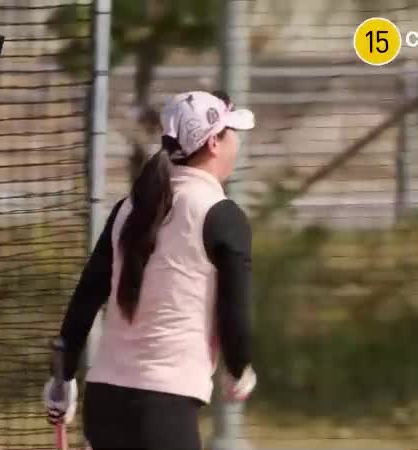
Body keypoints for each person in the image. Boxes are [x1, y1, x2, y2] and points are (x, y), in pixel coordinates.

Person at [43, 90, 257, 450]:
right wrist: (239, 369)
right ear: (213, 143)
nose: (236, 143)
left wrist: (61, 378)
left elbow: (87, 296)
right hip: (164, 409)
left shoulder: (128, 208)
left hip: (104, 402)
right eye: (232, 133)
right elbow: (234, 310)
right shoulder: (221, 215)